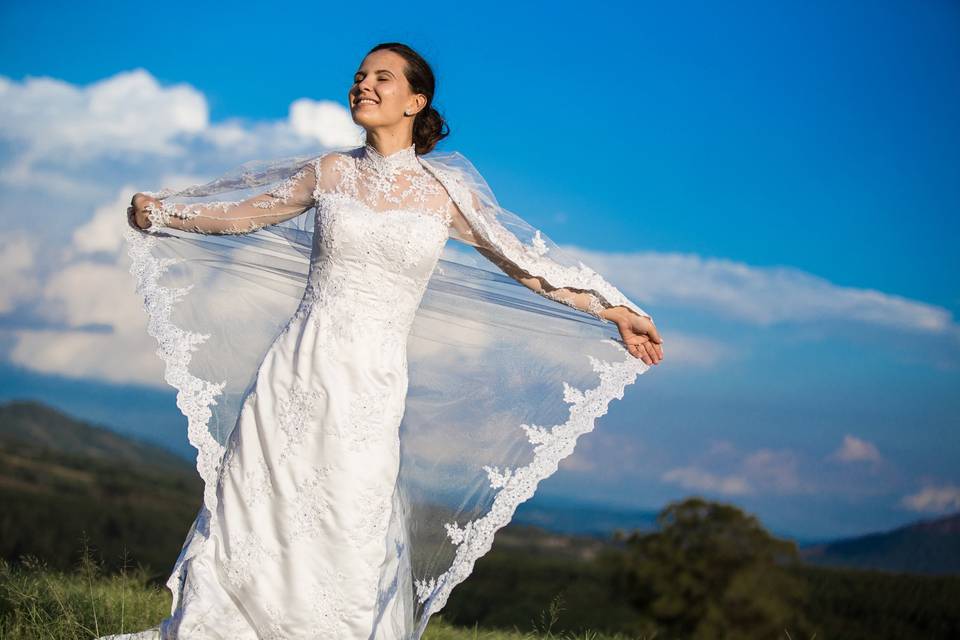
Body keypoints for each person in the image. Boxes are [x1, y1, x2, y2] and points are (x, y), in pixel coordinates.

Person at [106, 41, 663, 639]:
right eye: (359, 77)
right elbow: (246, 214)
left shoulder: (444, 194)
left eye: (382, 78)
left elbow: (524, 264)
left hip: (372, 381)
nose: (364, 86)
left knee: (349, 511)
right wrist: (166, 214)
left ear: (416, 102)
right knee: (260, 501)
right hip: (297, 367)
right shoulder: (330, 172)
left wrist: (611, 310)